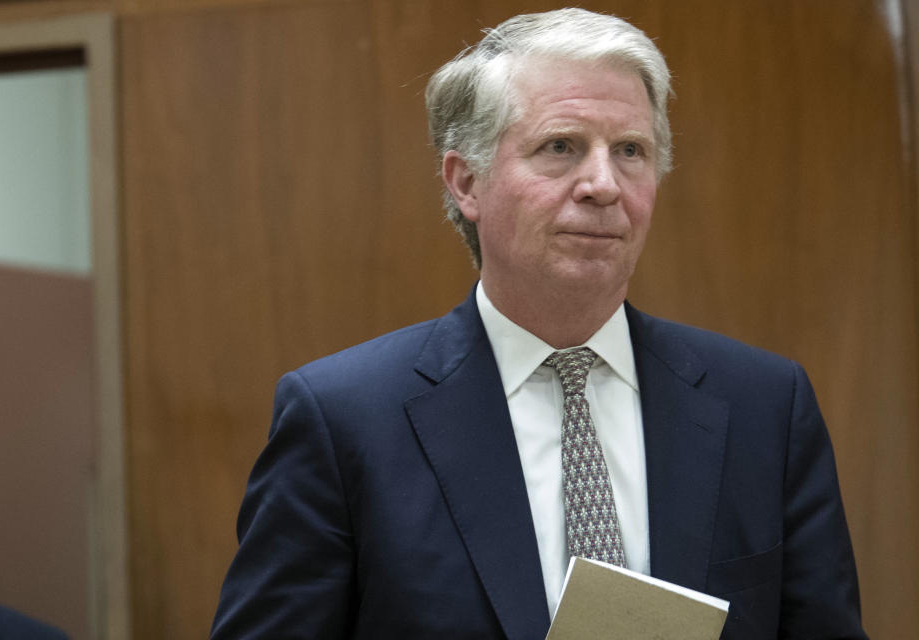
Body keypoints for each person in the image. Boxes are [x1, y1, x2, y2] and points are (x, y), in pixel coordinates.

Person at [210, 8, 866, 639]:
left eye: (631, 150)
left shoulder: (764, 408)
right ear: (466, 182)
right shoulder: (343, 420)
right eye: (562, 146)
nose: (603, 184)